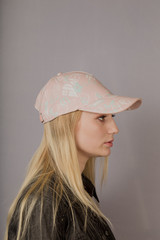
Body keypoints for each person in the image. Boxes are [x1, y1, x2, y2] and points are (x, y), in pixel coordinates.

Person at [4, 71, 142, 240]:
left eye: (111, 116)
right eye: (101, 117)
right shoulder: (44, 203)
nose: (114, 128)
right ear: (67, 124)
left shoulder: (79, 192)